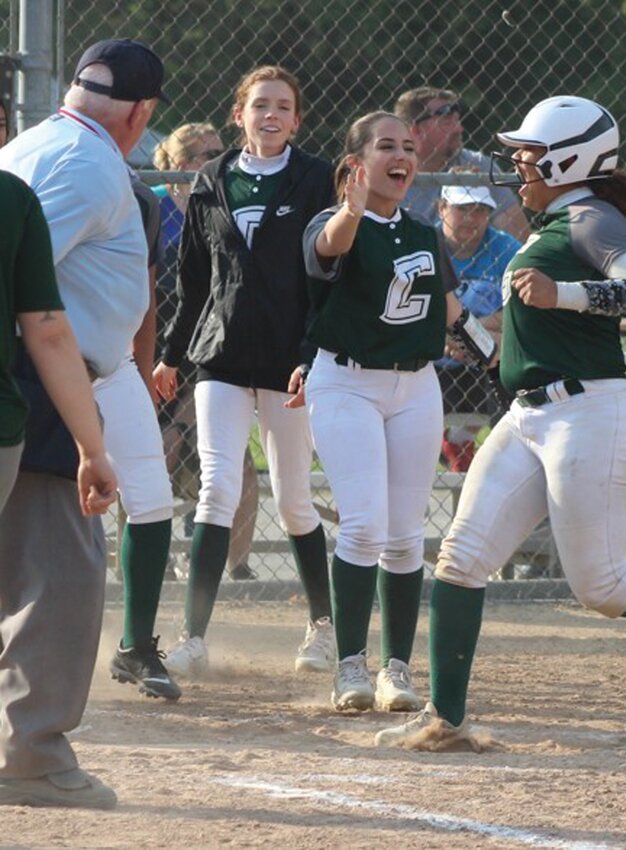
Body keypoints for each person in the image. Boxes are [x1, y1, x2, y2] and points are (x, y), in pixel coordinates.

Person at [375, 96, 626, 748]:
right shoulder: (550, 225)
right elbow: (516, 341)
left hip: (591, 413)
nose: (518, 163)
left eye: (528, 153)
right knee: (461, 559)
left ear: (567, 159)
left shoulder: (588, 216)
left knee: (602, 586)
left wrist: (568, 294)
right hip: (529, 414)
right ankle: (448, 719)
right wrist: (460, 324)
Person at [0, 39, 173, 808]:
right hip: (38, 387)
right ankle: (32, 759)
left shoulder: (41, 139)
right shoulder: (87, 161)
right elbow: (30, 296)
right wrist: (85, 436)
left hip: (38, 382)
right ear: (141, 115)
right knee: (61, 574)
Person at [299, 111, 496, 713]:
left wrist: (488, 349)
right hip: (346, 383)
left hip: (416, 387)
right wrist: (353, 210)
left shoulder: (420, 231)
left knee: (408, 536)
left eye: (409, 147)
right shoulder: (333, 224)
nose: (402, 156)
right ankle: (350, 665)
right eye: (387, 146)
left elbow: (445, 303)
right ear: (357, 162)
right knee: (363, 525)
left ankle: (397, 669)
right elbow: (328, 249)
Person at [153, 65, 336, 678]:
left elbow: (328, 281)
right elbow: (192, 280)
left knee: (293, 501)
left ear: (297, 118)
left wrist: (313, 356)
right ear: (241, 115)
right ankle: (192, 636)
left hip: (289, 363)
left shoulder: (315, 180)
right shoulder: (212, 178)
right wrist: (171, 355)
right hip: (221, 357)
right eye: (260, 105)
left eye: (284, 105)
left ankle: (322, 628)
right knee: (216, 489)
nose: (271, 115)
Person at [152, 123, 259, 581]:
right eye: (204, 153)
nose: (217, 159)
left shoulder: (225, 200)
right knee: (156, 455)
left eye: (220, 151)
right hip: (152, 363)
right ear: (179, 165)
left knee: (242, 470)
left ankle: (232, 570)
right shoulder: (155, 205)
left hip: (206, 368)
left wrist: (184, 415)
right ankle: (145, 564)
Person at [435, 183, 520, 471]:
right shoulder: (425, 242)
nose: (471, 218)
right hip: (433, 359)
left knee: (513, 341)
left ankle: (495, 458)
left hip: (485, 360)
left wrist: (471, 335)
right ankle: (457, 446)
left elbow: (520, 309)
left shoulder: (505, 247)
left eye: (480, 210)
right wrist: (454, 336)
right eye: (462, 209)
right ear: (441, 208)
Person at [393, 87, 529, 242]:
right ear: (416, 131)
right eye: (447, 122)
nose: (459, 128)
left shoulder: (476, 165)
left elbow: (519, 237)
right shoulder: (392, 172)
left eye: (457, 120)